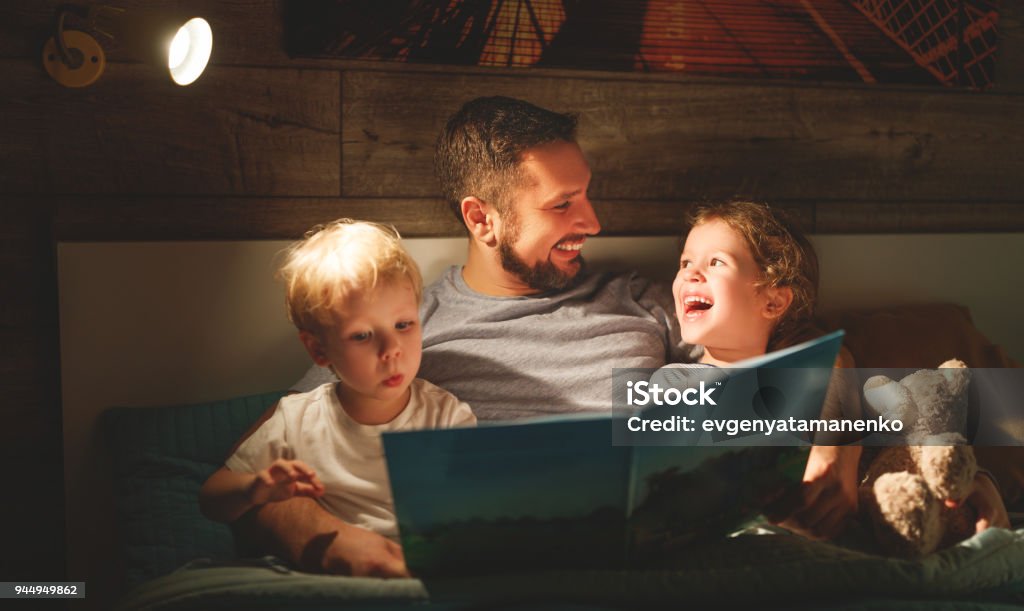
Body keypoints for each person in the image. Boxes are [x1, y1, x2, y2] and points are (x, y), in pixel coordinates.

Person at [667, 200, 1009, 538]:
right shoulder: (677, 385)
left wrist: (973, 480)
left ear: (773, 301)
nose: (691, 273)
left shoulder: (809, 369)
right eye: (685, 262)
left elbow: (901, 444)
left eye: (716, 262)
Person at [200, 219, 475, 577]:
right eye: (362, 335)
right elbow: (211, 498)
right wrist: (255, 489)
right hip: (336, 578)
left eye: (404, 325)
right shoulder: (297, 420)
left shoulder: (445, 415)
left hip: (424, 573)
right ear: (318, 350)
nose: (391, 349)